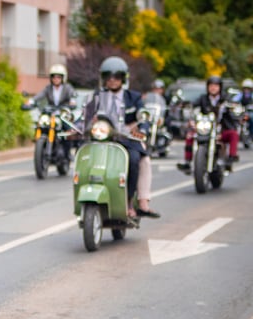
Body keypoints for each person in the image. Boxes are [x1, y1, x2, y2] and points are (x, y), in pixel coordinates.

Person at [83, 56, 160, 219]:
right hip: (101, 139)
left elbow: (143, 115)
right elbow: (84, 117)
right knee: (84, 159)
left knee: (134, 159)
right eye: (108, 76)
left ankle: (129, 201)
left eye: (117, 76)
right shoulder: (96, 97)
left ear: (123, 78)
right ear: (103, 78)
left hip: (128, 139)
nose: (112, 80)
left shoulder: (134, 97)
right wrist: (79, 125)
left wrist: (142, 129)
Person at [177, 75, 240, 174]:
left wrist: (233, 107)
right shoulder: (203, 98)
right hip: (206, 128)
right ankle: (187, 162)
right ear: (207, 87)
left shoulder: (226, 99)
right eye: (211, 86)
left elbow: (234, 108)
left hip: (221, 129)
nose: (213, 88)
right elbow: (193, 104)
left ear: (220, 87)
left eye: (215, 86)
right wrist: (185, 104)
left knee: (234, 134)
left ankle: (231, 157)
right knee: (190, 135)